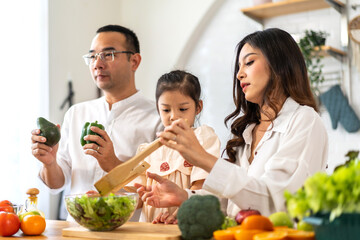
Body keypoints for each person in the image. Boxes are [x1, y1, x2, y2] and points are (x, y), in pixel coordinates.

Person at [135, 28, 328, 217]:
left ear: (279, 64)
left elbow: (273, 202)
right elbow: (234, 202)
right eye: (238, 67)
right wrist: (184, 196)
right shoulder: (248, 132)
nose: (239, 74)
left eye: (249, 62)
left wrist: (202, 158)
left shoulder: (305, 121)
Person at [31, 25, 163, 218]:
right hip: (76, 231)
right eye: (93, 56)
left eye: (108, 54)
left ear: (134, 61)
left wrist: (113, 164)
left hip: (130, 233)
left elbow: (159, 190)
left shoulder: (157, 117)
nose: (97, 64)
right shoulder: (76, 113)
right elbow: (57, 183)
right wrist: (49, 163)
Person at [128, 70, 221, 224]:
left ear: (198, 107)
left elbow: (201, 185)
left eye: (183, 109)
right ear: (158, 109)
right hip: (152, 230)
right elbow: (139, 198)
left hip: (187, 224)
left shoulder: (203, 138)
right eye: (166, 110)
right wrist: (105, 204)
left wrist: (179, 214)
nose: (173, 116)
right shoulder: (148, 150)